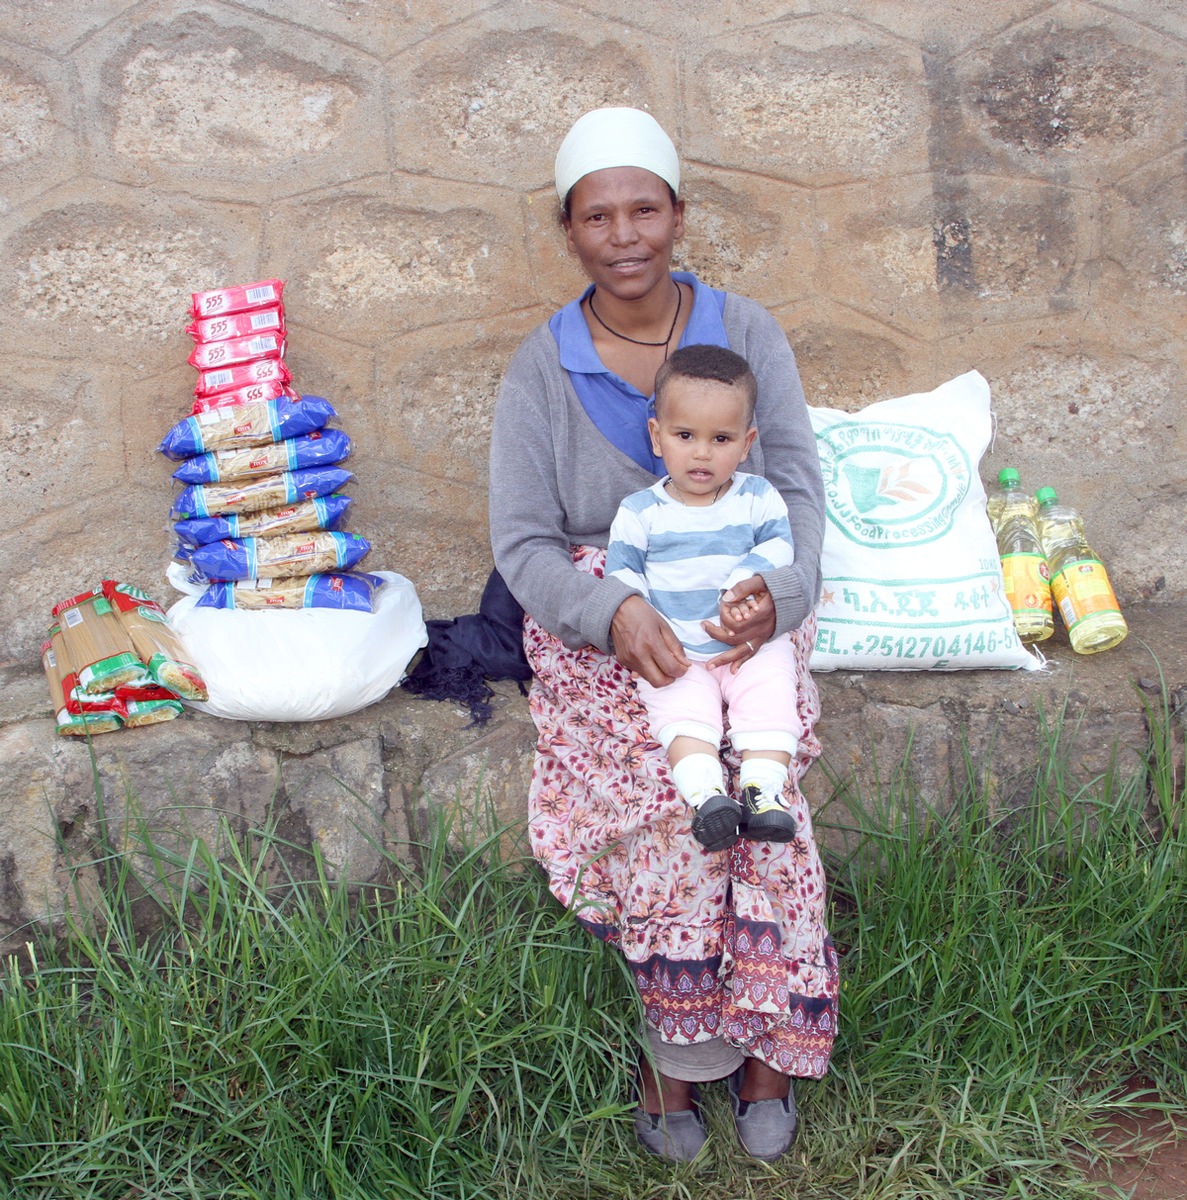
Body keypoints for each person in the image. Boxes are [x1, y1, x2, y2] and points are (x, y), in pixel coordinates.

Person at [489, 106, 838, 1163]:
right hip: (609, 628)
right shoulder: (539, 368)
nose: (625, 233)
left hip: (737, 612)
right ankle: (674, 1057)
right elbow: (523, 543)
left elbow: (800, 497)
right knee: (663, 817)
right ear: (568, 232)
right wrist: (612, 611)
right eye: (598, 216)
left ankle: (771, 1051)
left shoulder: (746, 334)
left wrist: (775, 594)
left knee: (769, 803)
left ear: (678, 214)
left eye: (645, 207)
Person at [604, 344, 801, 853]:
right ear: (656, 436)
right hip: (679, 647)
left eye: (721, 439)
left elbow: (779, 548)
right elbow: (622, 574)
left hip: (746, 643)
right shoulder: (640, 511)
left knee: (772, 700)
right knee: (682, 715)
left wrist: (739, 589)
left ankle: (763, 794)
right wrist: (640, 611)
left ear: (746, 442)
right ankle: (709, 798)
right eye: (685, 435)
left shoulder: (758, 496)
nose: (701, 452)